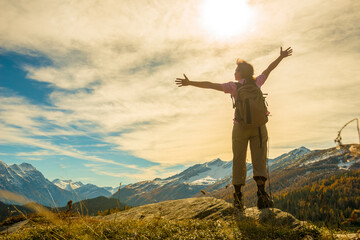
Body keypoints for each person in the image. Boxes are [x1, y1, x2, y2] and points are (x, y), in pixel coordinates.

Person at [175, 47, 293, 210]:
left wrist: (190, 83)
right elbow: (269, 69)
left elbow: (211, 85)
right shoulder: (257, 82)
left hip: (240, 127)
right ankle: (262, 196)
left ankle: (238, 198)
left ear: (241, 73)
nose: (234, 72)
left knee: (239, 160)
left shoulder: (234, 87)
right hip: (259, 127)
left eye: (236, 70)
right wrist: (281, 57)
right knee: (259, 159)